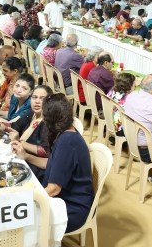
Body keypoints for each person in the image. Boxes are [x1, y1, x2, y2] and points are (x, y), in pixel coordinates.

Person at [41, 93, 95, 233]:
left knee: (25, 220)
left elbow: (54, 189)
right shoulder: (67, 134)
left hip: (73, 208)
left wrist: (30, 200)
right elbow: (54, 166)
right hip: (68, 199)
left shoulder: (67, 141)